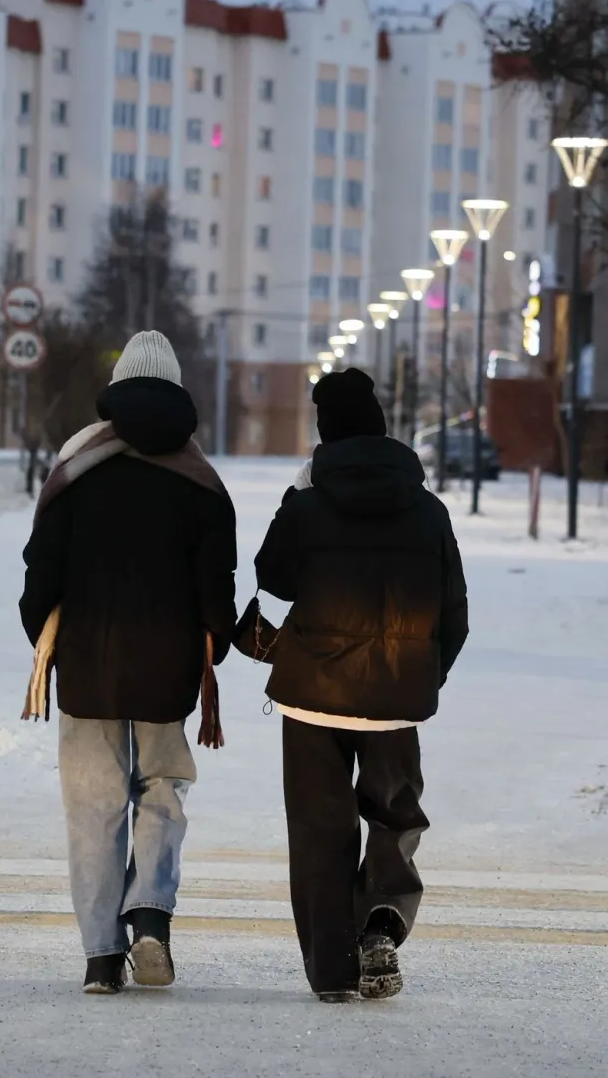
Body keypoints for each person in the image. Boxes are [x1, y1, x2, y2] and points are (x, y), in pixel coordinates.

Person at [19, 330, 237, 995]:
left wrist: (50, 641)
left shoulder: (76, 468)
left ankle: (101, 959)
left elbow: (40, 573)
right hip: (168, 672)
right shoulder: (200, 480)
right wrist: (213, 647)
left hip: (87, 665)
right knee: (162, 792)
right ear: (177, 392)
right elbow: (216, 588)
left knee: (92, 809)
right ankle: (149, 917)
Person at [251, 368, 468, 1003]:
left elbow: (272, 576)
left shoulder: (311, 503)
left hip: (312, 695)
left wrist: (296, 498)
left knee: (320, 829)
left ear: (324, 433)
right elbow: (453, 611)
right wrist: (420, 677)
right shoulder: (429, 510)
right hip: (396, 700)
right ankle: (382, 918)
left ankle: (333, 973)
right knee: (395, 812)